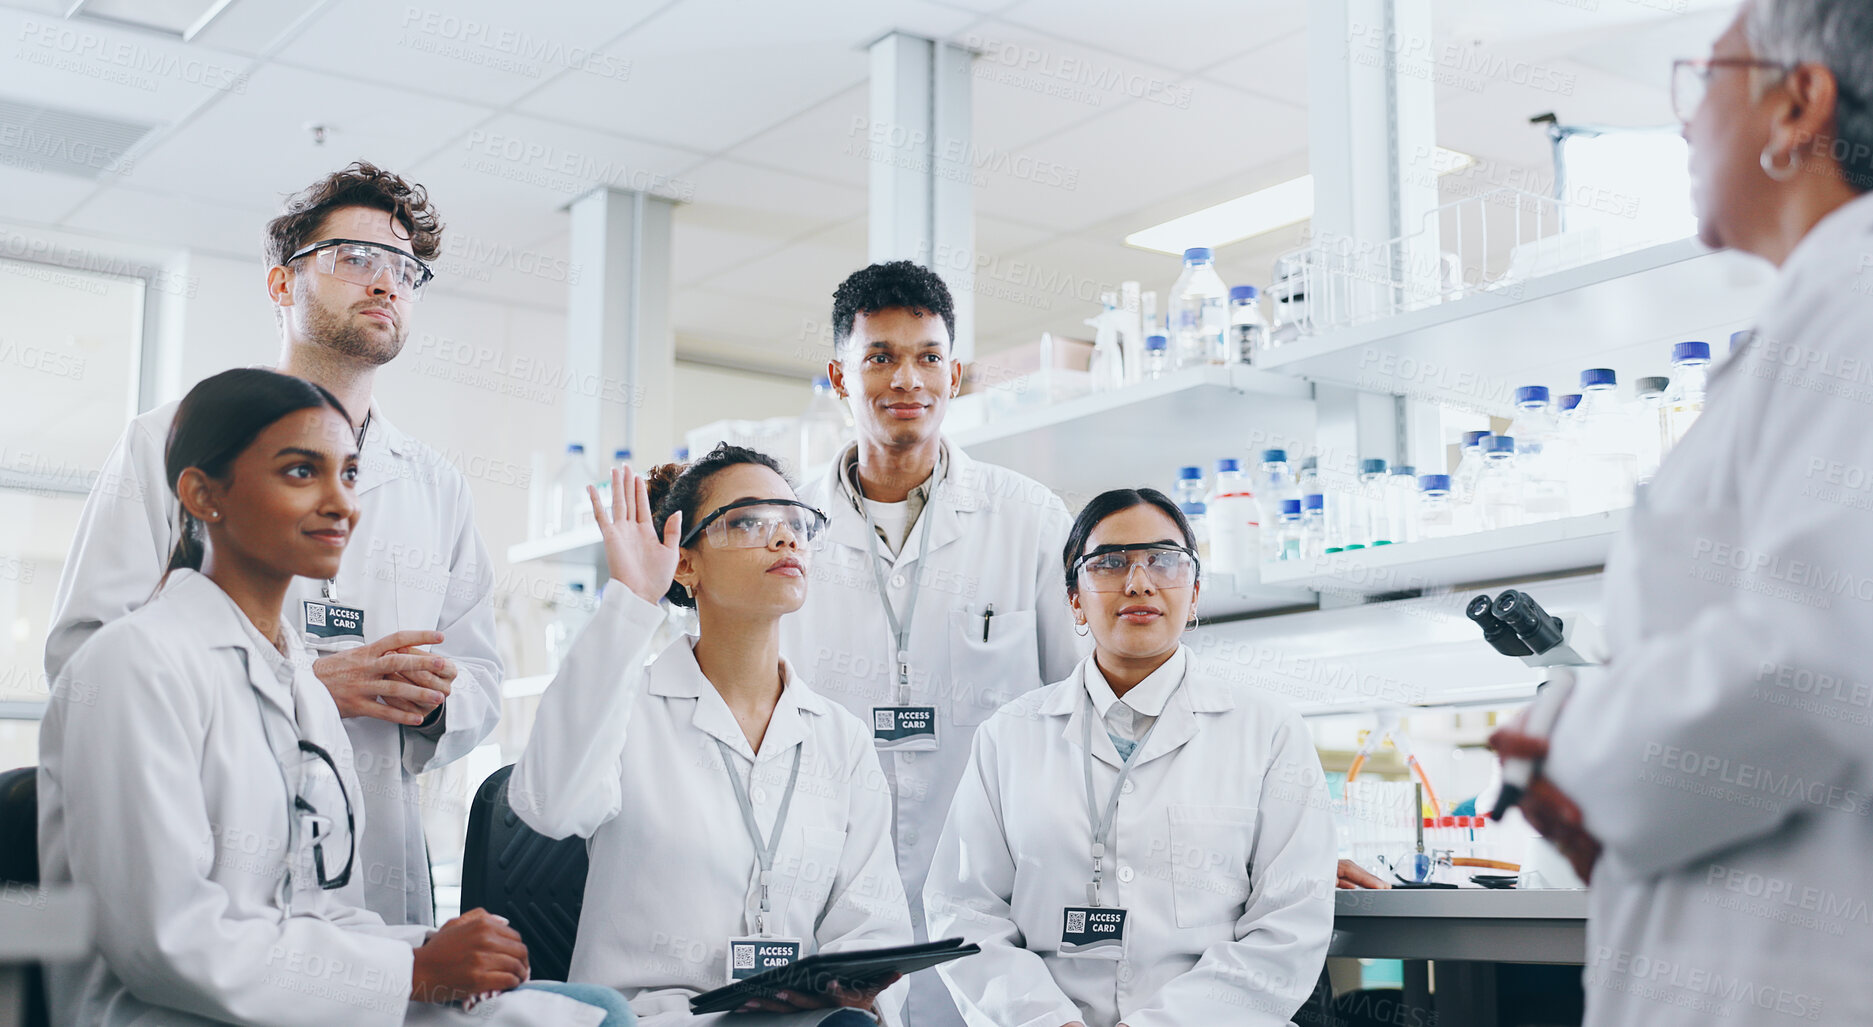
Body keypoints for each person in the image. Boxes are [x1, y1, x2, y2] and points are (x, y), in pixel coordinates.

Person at [1491, 2, 1873, 1024]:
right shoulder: (1851, 303)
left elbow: (1839, 663)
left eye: (1705, 79)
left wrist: (1574, 745)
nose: (1688, 123)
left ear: (1799, 105)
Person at [38, 368, 633, 1027]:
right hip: (176, 1011)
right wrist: (415, 971)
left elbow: (315, 908)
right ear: (203, 494)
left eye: (348, 475)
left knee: (593, 1010)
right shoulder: (135, 664)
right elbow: (164, 942)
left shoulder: (293, 677)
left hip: (294, 996)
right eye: (300, 473)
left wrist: (432, 947)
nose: (341, 503)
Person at [45, 162, 499, 926]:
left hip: (373, 870)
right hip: (206, 856)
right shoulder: (170, 442)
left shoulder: (437, 485)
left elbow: (481, 678)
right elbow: (86, 658)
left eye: (405, 269)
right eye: (354, 257)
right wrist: (306, 682)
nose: (386, 283)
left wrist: (427, 701)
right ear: (281, 285)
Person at [779, 260, 1085, 1025]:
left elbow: (1083, 711)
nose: (905, 378)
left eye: (926, 356)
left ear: (955, 372)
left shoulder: (1030, 520)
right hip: (828, 894)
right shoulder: (785, 530)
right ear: (839, 377)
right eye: (878, 356)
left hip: (994, 897)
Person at [511, 445, 912, 1025]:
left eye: (796, 522)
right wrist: (630, 601)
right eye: (749, 520)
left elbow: (871, 923)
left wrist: (852, 990)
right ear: (685, 564)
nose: (785, 538)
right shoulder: (627, 710)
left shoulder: (841, 739)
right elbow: (549, 806)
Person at [923, 489, 1337, 1027]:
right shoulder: (1009, 736)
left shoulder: (1268, 731)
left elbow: (1290, 927)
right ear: (1074, 599)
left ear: (1193, 595)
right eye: (1110, 563)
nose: (1139, 581)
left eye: (1164, 560)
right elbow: (965, 911)